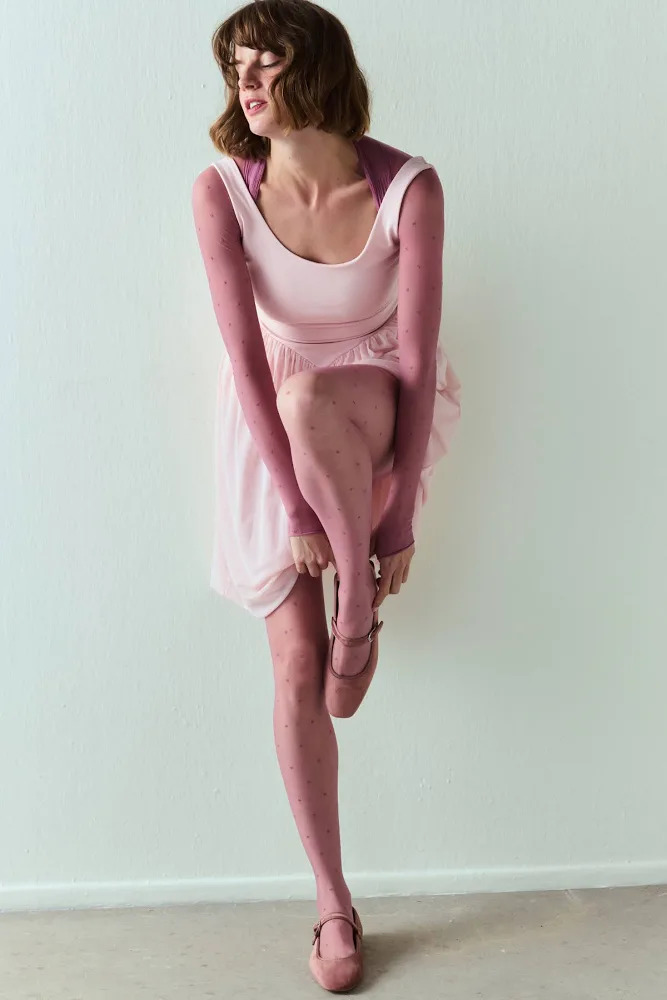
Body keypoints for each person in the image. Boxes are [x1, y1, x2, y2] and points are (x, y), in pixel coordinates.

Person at [191, 1, 461, 990]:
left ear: (316, 71)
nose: (246, 82)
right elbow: (245, 368)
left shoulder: (406, 188)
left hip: (371, 401)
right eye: (236, 65)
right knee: (295, 665)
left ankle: (359, 604)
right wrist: (297, 512)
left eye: (265, 62)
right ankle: (333, 904)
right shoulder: (221, 192)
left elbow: (419, 360)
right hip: (269, 428)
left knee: (312, 396)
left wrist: (398, 520)